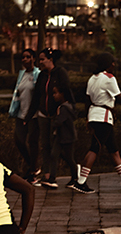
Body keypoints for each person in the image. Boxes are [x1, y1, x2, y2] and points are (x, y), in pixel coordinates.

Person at [71, 53, 121, 194]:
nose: (114, 65)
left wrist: (88, 118)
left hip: (95, 115)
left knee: (113, 150)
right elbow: (120, 98)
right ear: (107, 64)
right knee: (95, 148)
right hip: (103, 118)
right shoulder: (109, 78)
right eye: (112, 62)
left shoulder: (92, 79)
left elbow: (87, 101)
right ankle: (81, 182)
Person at [25, 48, 73, 189]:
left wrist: (70, 110)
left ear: (50, 60)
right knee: (45, 145)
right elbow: (36, 97)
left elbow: (67, 92)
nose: (39, 62)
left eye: (42, 59)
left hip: (56, 115)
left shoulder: (60, 73)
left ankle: (73, 170)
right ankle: (48, 176)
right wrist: (28, 116)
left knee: (57, 148)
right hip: (43, 115)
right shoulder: (42, 76)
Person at [8, 48, 40, 181]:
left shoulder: (38, 74)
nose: (25, 59)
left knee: (33, 142)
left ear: (33, 58)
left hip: (34, 116)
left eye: (28, 57)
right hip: (21, 114)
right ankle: (33, 166)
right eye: (23, 57)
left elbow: (38, 95)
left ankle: (33, 171)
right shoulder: (21, 75)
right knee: (19, 140)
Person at [48, 82, 79, 188]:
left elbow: (59, 121)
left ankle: (75, 177)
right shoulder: (62, 107)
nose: (54, 95)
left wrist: (52, 123)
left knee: (69, 158)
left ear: (63, 94)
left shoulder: (65, 108)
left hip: (67, 137)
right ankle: (52, 178)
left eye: (55, 93)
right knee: (54, 155)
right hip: (60, 136)